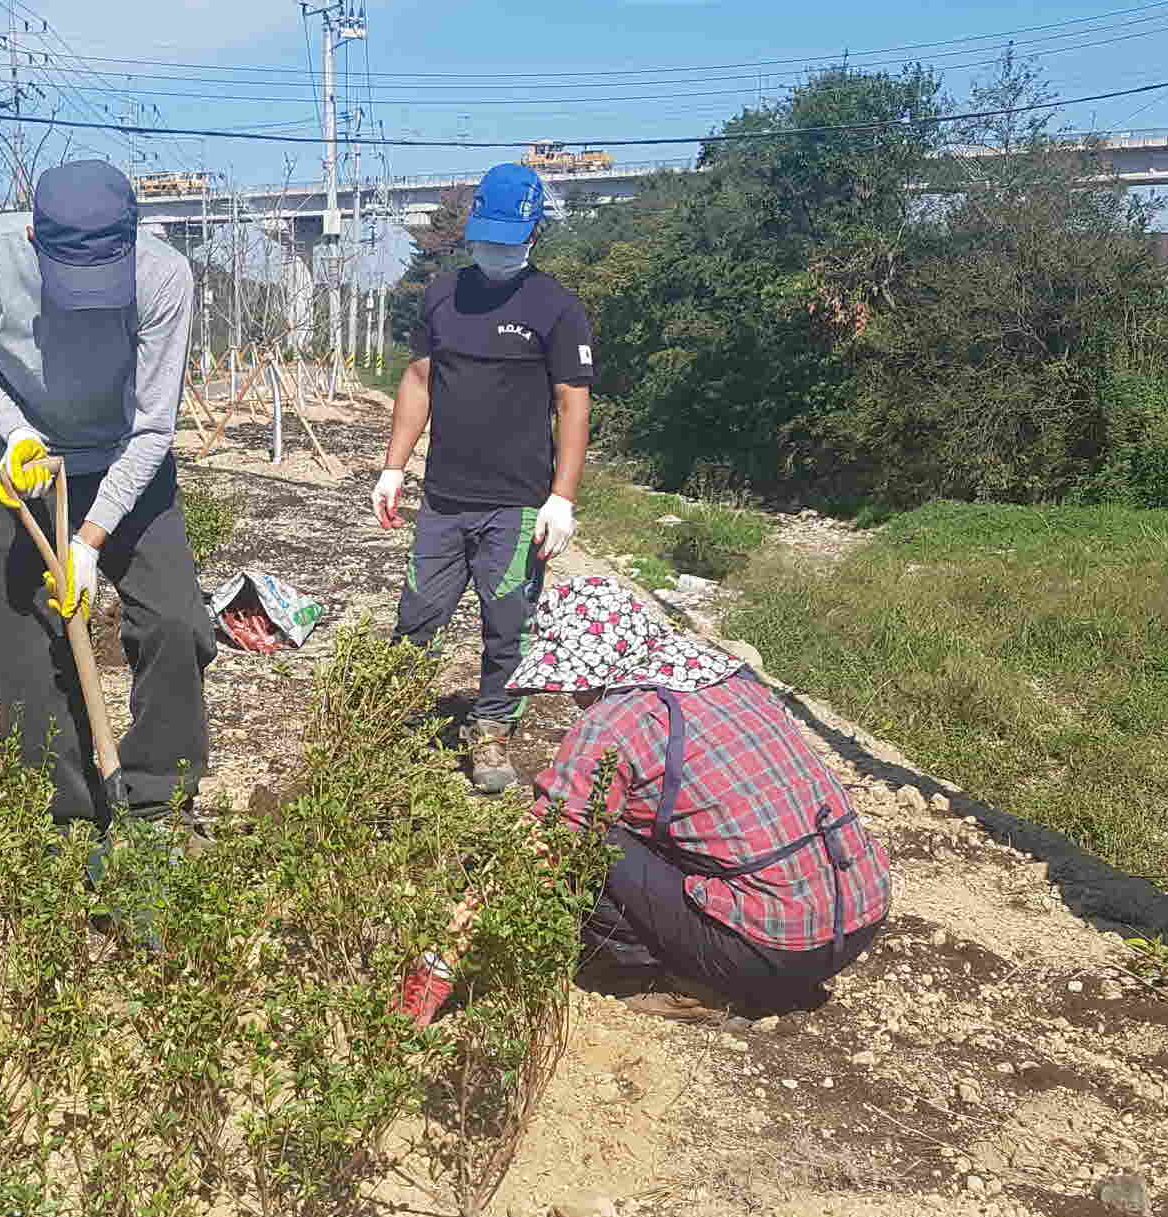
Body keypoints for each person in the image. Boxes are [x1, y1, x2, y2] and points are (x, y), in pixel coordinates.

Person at [395, 577, 891, 1027]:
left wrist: (439, 965)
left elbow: (542, 844)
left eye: (576, 686)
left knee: (591, 838)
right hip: (860, 916)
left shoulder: (615, 722)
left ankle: (688, 983)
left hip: (770, 945)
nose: (575, 699)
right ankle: (740, 968)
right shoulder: (732, 679)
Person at [0, 158, 216, 825]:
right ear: (35, 238)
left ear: (132, 237)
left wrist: (90, 540)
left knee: (177, 623)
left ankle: (157, 803)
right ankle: (63, 820)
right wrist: (16, 435)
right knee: (25, 653)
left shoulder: (163, 275)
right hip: (26, 472)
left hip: (129, 465)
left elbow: (152, 427)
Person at [372, 161, 593, 794]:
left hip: (519, 504)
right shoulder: (444, 293)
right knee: (417, 617)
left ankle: (492, 730)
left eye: (507, 239)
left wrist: (563, 498)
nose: (494, 251)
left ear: (532, 235)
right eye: (486, 237)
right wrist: (393, 467)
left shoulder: (555, 307)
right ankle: (391, 727)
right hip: (444, 497)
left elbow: (573, 402)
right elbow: (418, 381)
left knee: (508, 623)